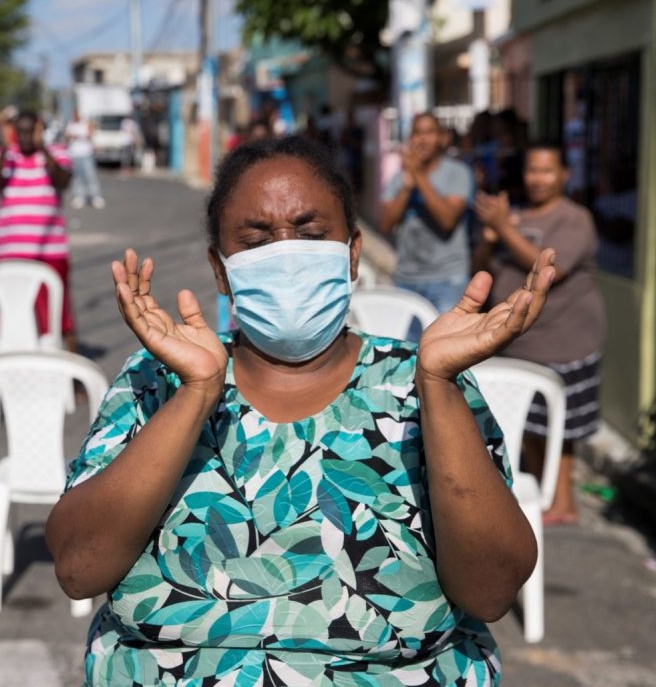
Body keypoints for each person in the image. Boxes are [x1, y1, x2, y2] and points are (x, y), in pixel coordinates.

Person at [48, 135, 554, 685]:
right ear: (221, 271)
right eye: (257, 240)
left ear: (353, 253)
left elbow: (491, 589)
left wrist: (437, 383)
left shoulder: (427, 383)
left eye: (311, 234)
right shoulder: (157, 380)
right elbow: (79, 567)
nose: (286, 254)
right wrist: (196, 393)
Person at [473, 142, 605, 526]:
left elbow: (549, 269)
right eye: (533, 170)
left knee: (561, 427)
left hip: (566, 340)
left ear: (565, 174)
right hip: (520, 342)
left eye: (548, 170)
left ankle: (563, 502)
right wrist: (490, 238)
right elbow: (481, 265)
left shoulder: (575, 219)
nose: (538, 179)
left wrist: (502, 227)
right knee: (529, 423)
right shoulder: (515, 215)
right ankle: (541, 492)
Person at [0, 110, 78, 351]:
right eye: (21, 131)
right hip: (10, 254)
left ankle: (73, 378)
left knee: (59, 317)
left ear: (38, 131)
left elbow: (63, 180)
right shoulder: (3, 156)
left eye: (30, 131)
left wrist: (43, 147)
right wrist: (6, 149)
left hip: (51, 253)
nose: (25, 137)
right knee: (10, 318)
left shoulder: (55, 153)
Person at [379, 112, 475, 315]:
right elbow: (385, 225)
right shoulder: (399, 178)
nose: (423, 139)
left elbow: (447, 220)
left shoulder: (457, 173)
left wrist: (418, 176)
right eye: (417, 133)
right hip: (406, 279)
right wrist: (406, 189)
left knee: (446, 345)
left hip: (447, 279)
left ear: (443, 138)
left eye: (430, 132)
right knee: (409, 346)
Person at [66, 111, 105, 209]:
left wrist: (79, 135)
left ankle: (95, 196)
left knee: (90, 175)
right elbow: (68, 136)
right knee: (78, 177)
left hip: (86, 153)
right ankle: (79, 196)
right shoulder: (71, 125)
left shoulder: (85, 124)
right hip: (75, 154)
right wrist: (76, 136)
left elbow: (91, 133)